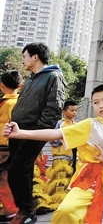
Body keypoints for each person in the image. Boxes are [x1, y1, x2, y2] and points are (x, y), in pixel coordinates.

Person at [2, 84, 103, 224]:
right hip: (90, 179)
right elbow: (56, 134)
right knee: (66, 212)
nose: (101, 106)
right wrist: (20, 133)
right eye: (96, 102)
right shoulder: (89, 125)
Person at [7, 43, 66, 224]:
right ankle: (24, 210)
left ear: (35, 57)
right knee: (16, 170)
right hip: (18, 131)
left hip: (33, 131)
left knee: (17, 169)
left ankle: (27, 212)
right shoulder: (32, 79)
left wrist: (39, 131)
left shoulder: (54, 76)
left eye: (25, 56)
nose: (23, 60)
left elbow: (54, 107)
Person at [42, 101, 79, 211]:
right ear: (64, 112)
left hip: (72, 157)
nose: (74, 113)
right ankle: (57, 202)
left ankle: (67, 201)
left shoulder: (75, 125)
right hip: (60, 156)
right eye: (72, 110)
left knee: (69, 180)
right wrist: (62, 140)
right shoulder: (60, 123)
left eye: (76, 111)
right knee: (59, 180)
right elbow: (52, 138)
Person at [0, 70, 22, 223]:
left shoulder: (3, 104)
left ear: (1, 85)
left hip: (2, 148)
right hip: (20, 147)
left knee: (3, 180)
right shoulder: (23, 103)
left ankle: (10, 210)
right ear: (20, 86)